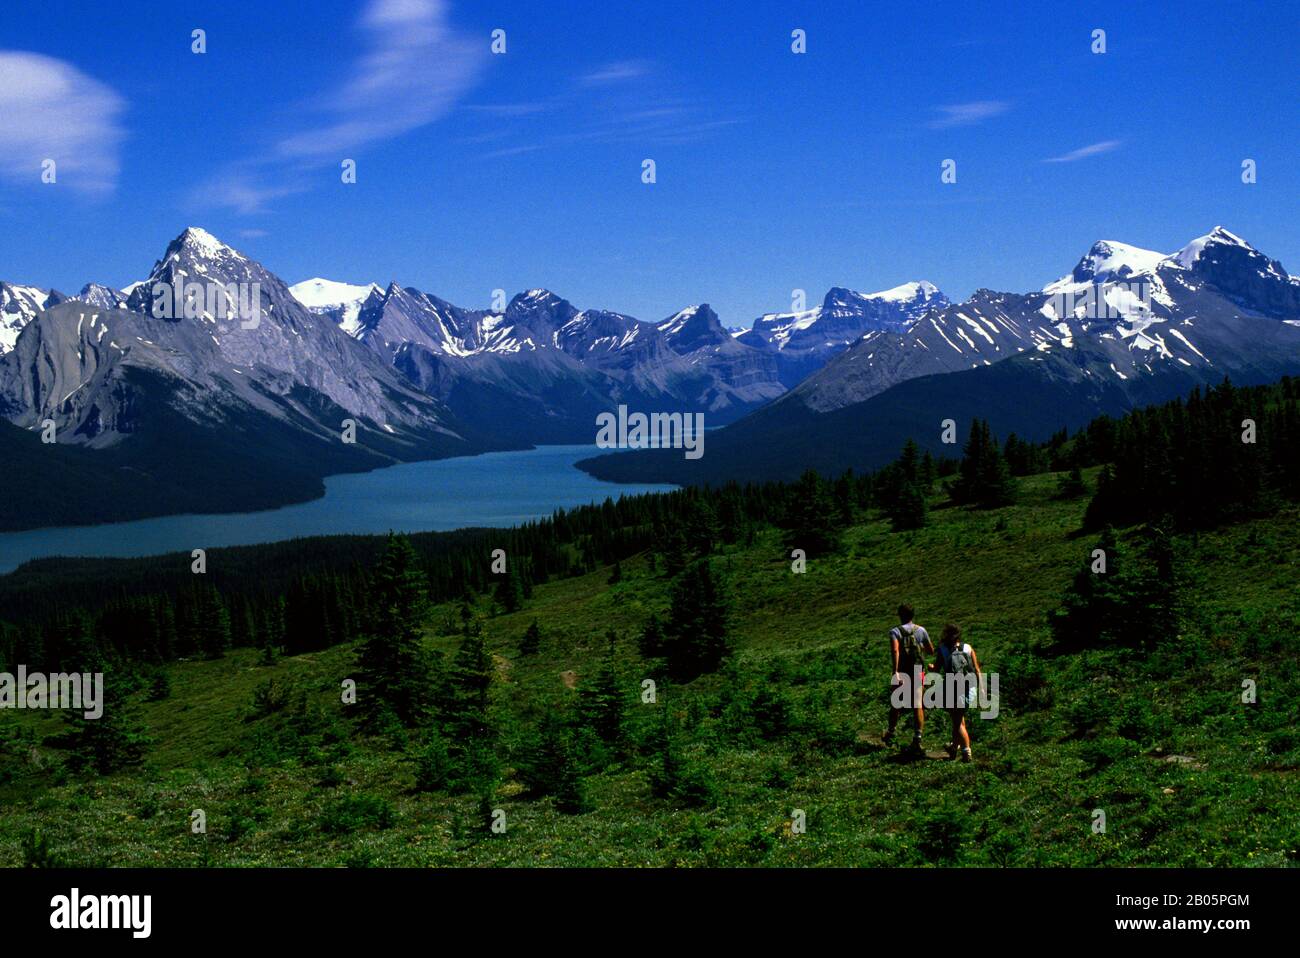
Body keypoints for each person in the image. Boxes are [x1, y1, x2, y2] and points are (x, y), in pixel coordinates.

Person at [884, 604, 933, 754]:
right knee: (918, 705)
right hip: (919, 670)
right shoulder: (921, 630)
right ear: (913, 615)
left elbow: (895, 650)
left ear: (900, 615)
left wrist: (895, 671)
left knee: (896, 702)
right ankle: (917, 738)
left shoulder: (895, 631)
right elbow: (930, 650)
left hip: (903, 670)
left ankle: (891, 733)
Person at [934, 623, 982, 762]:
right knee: (960, 719)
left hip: (952, 690)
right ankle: (953, 749)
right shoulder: (968, 648)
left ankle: (966, 751)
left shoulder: (943, 649)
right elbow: (977, 669)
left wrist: (931, 667)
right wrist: (982, 689)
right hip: (969, 689)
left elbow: (936, 669)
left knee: (957, 722)